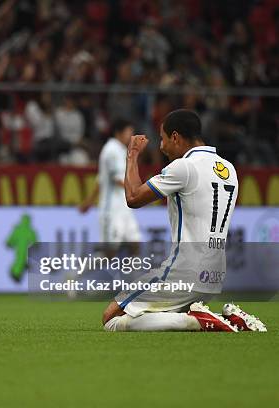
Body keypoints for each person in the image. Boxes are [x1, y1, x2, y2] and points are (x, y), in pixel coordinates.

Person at [102, 109, 266, 332]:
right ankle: (225, 318)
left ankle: (198, 321)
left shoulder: (184, 167)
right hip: (215, 274)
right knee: (162, 313)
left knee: (112, 318)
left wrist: (131, 156)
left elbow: (133, 198)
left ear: (176, 137)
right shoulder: (228, 168)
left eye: (163, 138)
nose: (161, 146)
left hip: (184, 270)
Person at [80, 119, 141, 254]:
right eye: (128, 132)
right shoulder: (111, 150)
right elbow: (119, 180)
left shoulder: (122, 150)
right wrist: (144, 191)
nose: (131, 136)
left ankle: (134, 276)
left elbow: (100, 180)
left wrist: (89, 201)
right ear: (118, 133)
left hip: (124, 208)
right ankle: (75, 274)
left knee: (135, 244)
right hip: (112, 210)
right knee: (109, 253)